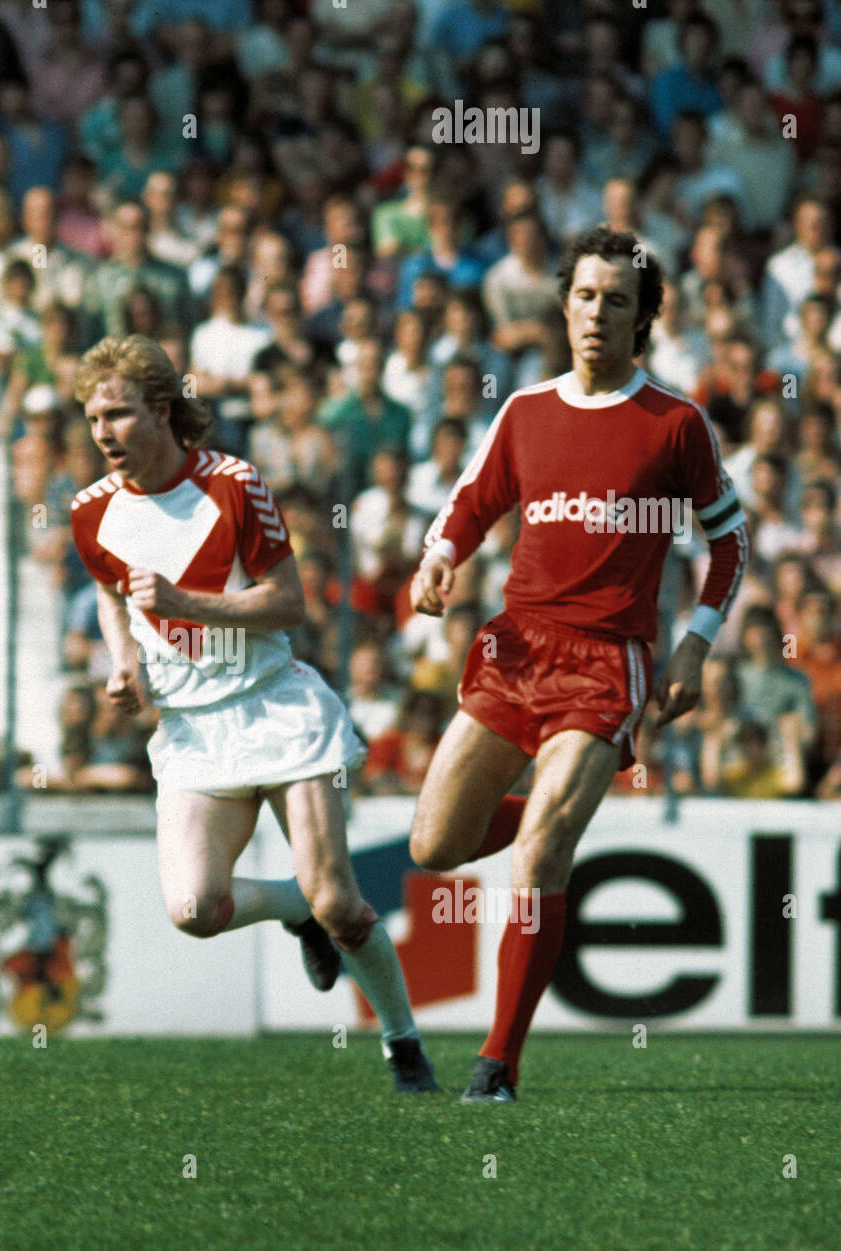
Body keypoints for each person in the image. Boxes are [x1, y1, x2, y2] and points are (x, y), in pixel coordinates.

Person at [408, 226, 749, 1103]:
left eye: (618, 302)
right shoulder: (523, 410)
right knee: (434, 844)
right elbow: (471, 503)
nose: (598, 314)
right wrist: (439, 556)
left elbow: (729, 543)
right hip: (516, 648)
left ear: (642, 324)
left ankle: (497, 1066)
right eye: (586, 296)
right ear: (565, 305)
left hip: (607, 664)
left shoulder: (676, 425)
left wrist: (694, 643)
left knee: (542, 857)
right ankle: (555, 816)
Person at [69, 333, 437, 1093]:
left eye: (119, 413)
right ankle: (298, 908)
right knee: (195, 909)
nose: (103, 431)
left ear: (164, 411)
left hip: (277, 711)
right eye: (92, 416)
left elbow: (291, 605)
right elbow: (111, 592)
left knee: (346, 903)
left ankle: (405, 1047)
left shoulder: (234, 485)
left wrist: (184, 604)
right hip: (194, 733)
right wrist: (125, 661)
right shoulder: (90, 512)